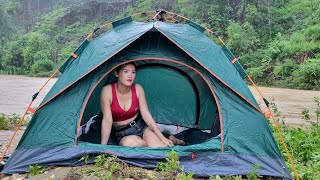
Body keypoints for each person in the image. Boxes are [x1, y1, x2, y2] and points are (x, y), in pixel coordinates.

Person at [100, 62, 174, 147]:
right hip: (123, 133)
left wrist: (162, 138)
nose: (130, 76)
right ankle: (148, 144)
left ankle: (170, 139)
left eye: (133, 72)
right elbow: (107, 120)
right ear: (117, 74)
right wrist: (102, 147)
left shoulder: (138, 89)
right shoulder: (107, 91)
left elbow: (146, 115)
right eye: (126, 71)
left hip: (141, 127)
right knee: (132, 144)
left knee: (160, 148)